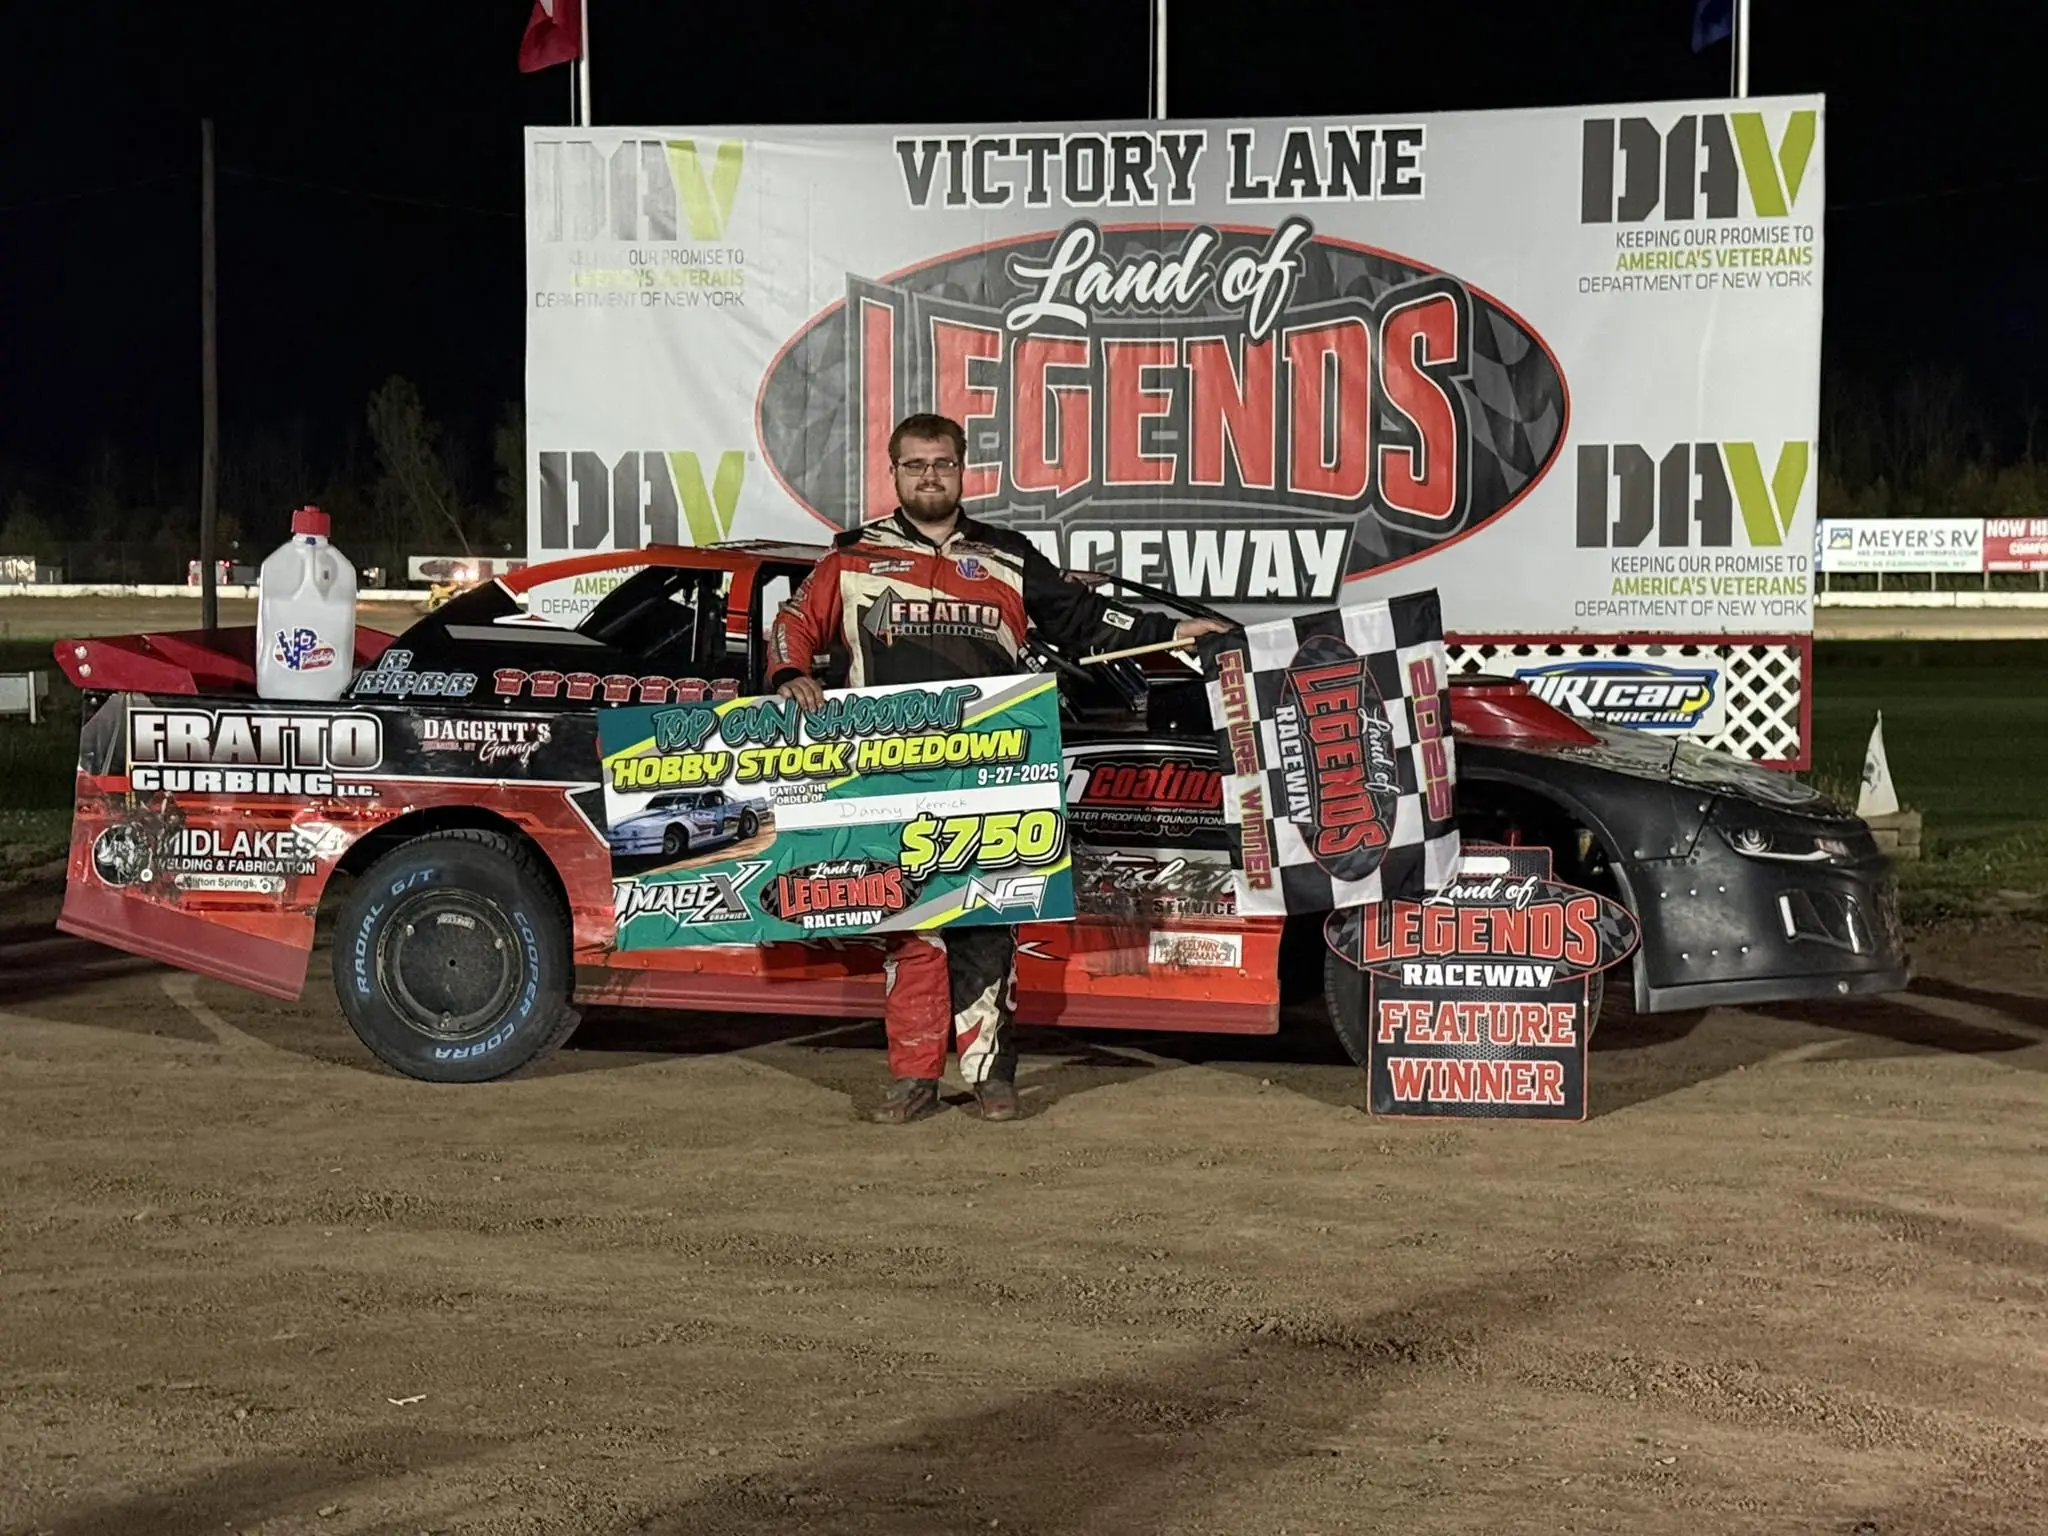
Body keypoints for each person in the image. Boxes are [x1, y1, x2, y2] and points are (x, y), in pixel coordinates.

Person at [767, 412, 1231, 1125]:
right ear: (894, 473)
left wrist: (1171, 630)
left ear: (962, 470)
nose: (929, 476)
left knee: (987, 924)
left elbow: (1085, 621)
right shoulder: (855, 557)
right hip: (889, 774)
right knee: (911, 929)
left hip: (992, 772)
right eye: (915, 464)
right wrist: (790, 672)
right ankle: (913, 1079)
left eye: (942, 463)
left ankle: (991, 1077)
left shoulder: (1008, 555)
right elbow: (795, 621)